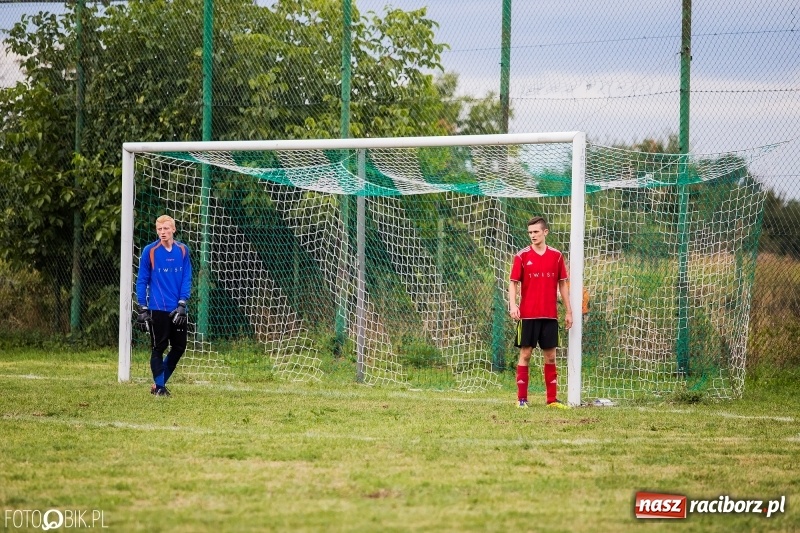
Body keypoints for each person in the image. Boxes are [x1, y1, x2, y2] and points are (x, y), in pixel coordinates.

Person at [508, 216, 573, 409]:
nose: (532, 235)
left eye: (536, 231)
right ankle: (521, 399)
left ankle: (552, 400)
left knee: (551, 356)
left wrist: (569, 311)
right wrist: (513, 305)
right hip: (528, 315)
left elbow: (562, 285)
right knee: (525, 354)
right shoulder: (521, 256)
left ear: (545, 232)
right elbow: (513, 283)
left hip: (549, 315)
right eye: (530, 232)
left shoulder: (556, 256)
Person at [135, 215, 192, 397]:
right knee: (158, 348)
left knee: (179, 348)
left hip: (178, 309)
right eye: (159, 229)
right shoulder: (149, 251)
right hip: (157, 308)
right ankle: (160, 388)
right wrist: (142, 306)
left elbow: (186, 278)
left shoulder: (183, 250)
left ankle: (158, 384)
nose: (162, 232)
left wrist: (183, 303)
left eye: (166, 229)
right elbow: (142, 280)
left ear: (173, 229)